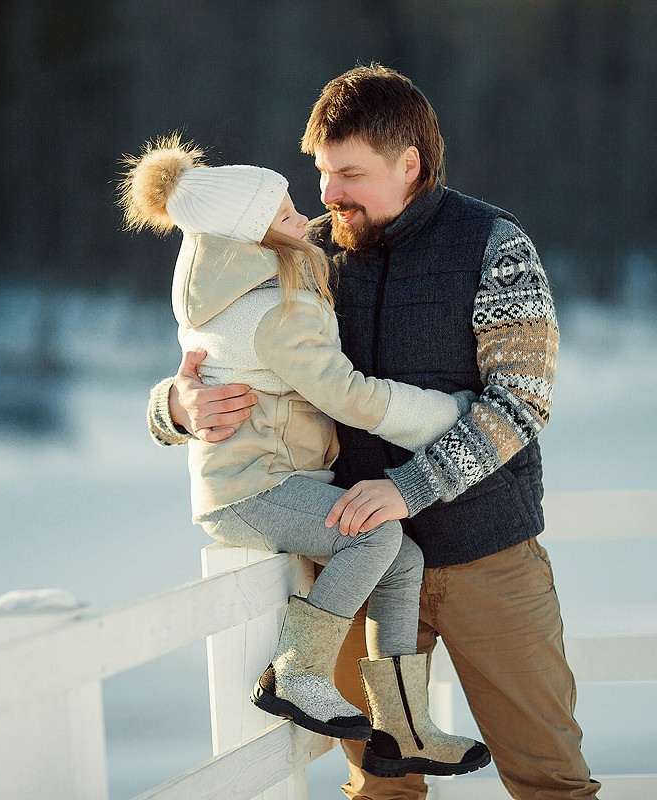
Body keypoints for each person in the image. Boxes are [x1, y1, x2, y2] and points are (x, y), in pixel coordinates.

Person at [146, 65, 601, 799]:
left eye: (348, 173)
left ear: (409, 164)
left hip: (487, 559)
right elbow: (218, 343)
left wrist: (408, 489)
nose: (327, 195)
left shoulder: (492, 243)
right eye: (321, 173)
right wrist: (175, 406)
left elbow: (521, 403)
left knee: (549, 779)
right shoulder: (303, 251)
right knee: (381, 791)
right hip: (357, 568)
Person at [119, 134, 491, 778]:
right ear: (251, 240)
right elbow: (348, 396)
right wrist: (451, 414)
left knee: (401, 558)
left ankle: (402, 729)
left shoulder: (246, 286)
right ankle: (298, 671)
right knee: (375, 540)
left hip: (272, 479)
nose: (307, 222)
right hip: (252, 488)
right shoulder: (270, 310)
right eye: (287, 215)